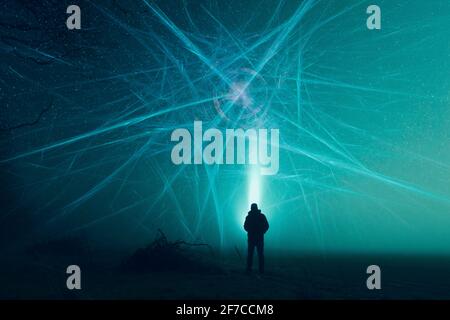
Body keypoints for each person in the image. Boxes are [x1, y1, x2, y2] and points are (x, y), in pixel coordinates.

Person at [244, 203, 269, 274]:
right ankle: (261, 270)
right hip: (259, 238)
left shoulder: (249, 217)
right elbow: (266, 226)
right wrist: (262, 232)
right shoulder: (261, 216)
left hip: (252, 238)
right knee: (260, 254)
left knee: (251, 254)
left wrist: (250, 231)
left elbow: (245, 226)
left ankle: (249, 269)